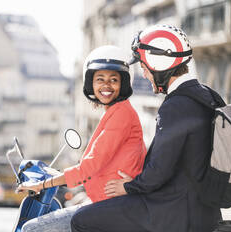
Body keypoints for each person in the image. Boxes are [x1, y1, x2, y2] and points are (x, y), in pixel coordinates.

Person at [70, 25, 222, 232]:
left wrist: (127, 186)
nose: (143, 74)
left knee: (81, 219)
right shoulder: (207, 96)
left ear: (158, 62)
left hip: (171, 210)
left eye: (143, 66)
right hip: (201, 208)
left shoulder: (176, 106)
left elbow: (158, 171)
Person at [16, 45, 147, 232]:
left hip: (111, 205)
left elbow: (90, 166)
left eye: (114, 80)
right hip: (106, 202)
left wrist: (41, 184)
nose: (106, 85)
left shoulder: (121, 115)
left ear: (124, 83)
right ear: (90, 83)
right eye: (99, 79)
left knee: (32, 228)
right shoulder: (117, 111)